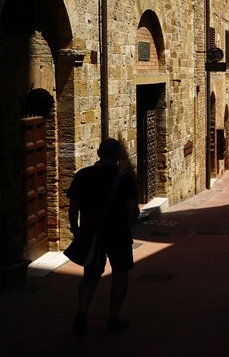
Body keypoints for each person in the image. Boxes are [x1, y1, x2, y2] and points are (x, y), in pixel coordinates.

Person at [67, 137, 139, 338]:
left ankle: (82, 313)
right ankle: (113, 319)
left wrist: (76, 230)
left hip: (91, 234)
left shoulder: (82, 175)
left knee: (90, 276)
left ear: (98, 153)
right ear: (118, 156)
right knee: (120, 273)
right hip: (118, 234)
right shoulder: (124, 179)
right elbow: (133, 211)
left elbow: (73, 208)